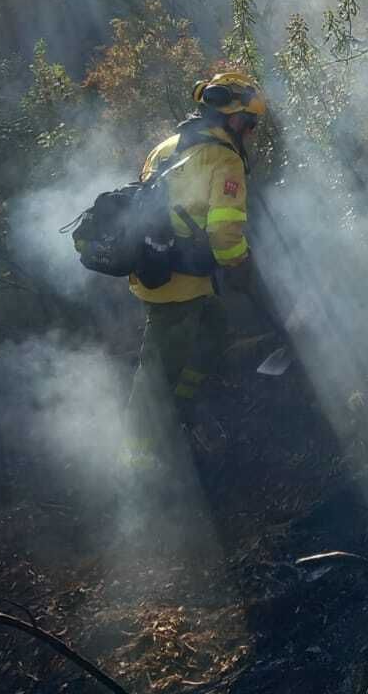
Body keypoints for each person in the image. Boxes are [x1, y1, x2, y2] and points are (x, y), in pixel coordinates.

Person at [124, 71, 263, 470]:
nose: (251, 133)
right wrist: (240, 265)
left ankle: (184, 406)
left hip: (157, 270)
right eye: (250, 124)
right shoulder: (223, 158)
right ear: (234, 120)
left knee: (214, 331)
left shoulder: (166, 147)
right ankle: (140, 464)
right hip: (178, 286)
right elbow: (223, 230)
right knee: (155, 375)